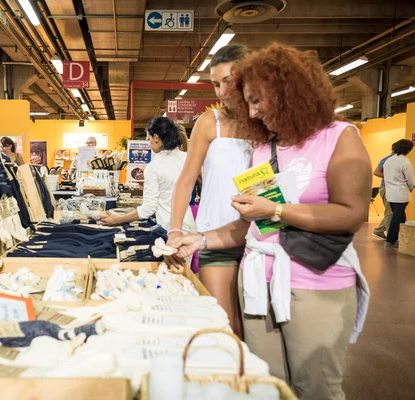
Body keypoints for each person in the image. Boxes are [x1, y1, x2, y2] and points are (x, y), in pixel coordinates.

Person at [170, 43, 371, 399]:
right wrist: (198, 240)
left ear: (287, 91)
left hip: (315, 282)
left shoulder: (339, 137)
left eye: (257, 100)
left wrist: (275, 211)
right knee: (266, 385)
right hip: (258, 284)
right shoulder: (264, 150)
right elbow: (256, 224)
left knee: (316, 387)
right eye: (247, 102)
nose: (251, 111)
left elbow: (351, 213)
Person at [167, 44, 252, 336]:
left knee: (255, 331)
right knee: (224, 327)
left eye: (228, 80)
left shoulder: (268, 122)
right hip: (215, 237)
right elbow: (186, 180)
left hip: (262, 239)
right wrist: (174, 231)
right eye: (216, 84)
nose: (221, 91)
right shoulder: (209, 122)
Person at [100, 117, 196, 237]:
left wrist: (118, 219)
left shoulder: (154, 166)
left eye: (148, 138)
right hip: (189, 227)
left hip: (169, 230)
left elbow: (148, 209)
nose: (149, 143)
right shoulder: (188, 158)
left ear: (156, 138)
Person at [383, 139, 414, 247]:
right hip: (401, 194)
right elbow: (411, 180)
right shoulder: (405, 162)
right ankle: (391, 239)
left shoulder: (388, 161)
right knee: (396, 218)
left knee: (400, 216)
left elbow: (385, 176)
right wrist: (411, 187)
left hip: (390, 194)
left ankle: (404, 236)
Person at [372, 142, 397, 239]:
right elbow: (376, 172)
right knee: (390, 212)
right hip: (386, 187)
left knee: (391, 212)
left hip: (393, 188)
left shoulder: (400, 160)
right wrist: (390, 177)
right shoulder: (387, 159)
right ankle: (391, 237)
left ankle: (378, 231)